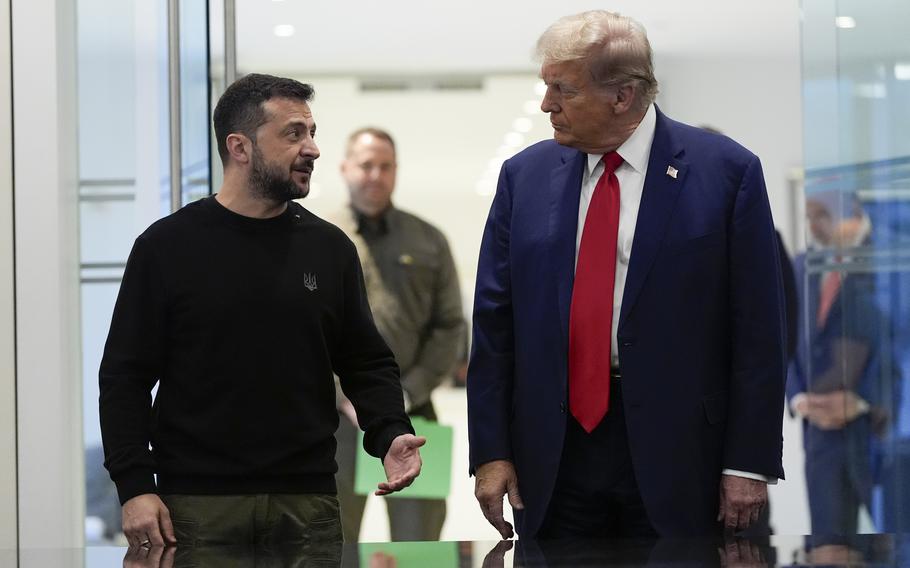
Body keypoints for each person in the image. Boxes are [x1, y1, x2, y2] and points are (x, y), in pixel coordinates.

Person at [467, 10, 786, 540]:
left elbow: (757, 332)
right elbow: (494, 323)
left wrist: (748, 463)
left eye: (562, 89)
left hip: (683, 454)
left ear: (623, 95)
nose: (547, 104)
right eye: (546, 87)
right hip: (552, 454)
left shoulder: (726, 173)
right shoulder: (524, 177)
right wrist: (491, 451)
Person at [99, 74, 425, 550]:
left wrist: (390, 431)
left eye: (312, 132)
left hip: (307, 504)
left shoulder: (329, 249)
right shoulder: (167, 247)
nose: (312, 148)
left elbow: (365, 361)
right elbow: (124, 377)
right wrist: (135, 487)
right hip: (194, 507)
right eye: (294, 134)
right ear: (240, 146)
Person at [329, 127, 465, 542]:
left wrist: (407, 393)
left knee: (419, 540)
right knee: (331, 539)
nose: (375, 175)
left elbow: (449, 326)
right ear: (345, 168)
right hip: (333, 421)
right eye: (366, 165)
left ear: (396, 172)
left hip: (415, 417)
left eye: (385, 166)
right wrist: (341, 394)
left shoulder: (428, 240)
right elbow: (301, 331)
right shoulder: (320, 239)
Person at [787, 192, 899, 547]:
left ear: (852, 213)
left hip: (884, 434)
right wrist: (800, 397)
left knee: (896, 547)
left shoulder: (893, 258)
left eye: (821, 215)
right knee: (828, 549)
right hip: (821, 439)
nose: (812, 226)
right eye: (808, 216)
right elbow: (782, 339)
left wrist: (864, 402)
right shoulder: (801, 266)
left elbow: (901, 347)